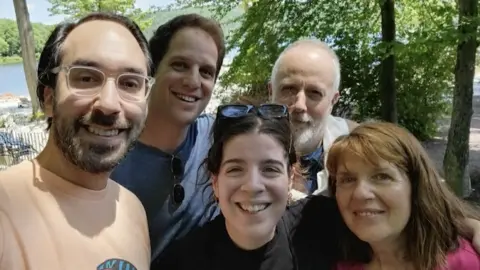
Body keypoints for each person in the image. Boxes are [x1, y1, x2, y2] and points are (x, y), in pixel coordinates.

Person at [0, 12, 153, 269]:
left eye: (130, 83)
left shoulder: (133, 210)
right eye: (86, 77)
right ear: (48, 99)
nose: (109, 104)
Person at [152, 103, 340, 270]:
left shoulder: (320, 226)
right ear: (215, 182)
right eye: (235, 169)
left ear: (290, 178)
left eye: (270, 169)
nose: (252, 186)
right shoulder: (180, 262)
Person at [111, 13, 226, 261]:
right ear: (152, 70)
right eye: (180, 65)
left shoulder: (220, 135)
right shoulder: (109, 155)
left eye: (206, 72)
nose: (193, 81)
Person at [326, 122, 480, 269]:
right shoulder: (338, 265)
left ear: (416, 186)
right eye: (347, 179)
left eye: (381, 177)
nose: (360, 193)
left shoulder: (463, 264)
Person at [269, 39, 357, 197]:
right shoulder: (237, 147)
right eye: (289, 89)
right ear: (271, 92)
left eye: (315, 93)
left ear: (333, 101)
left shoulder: (359, 149)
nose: (299, 105)